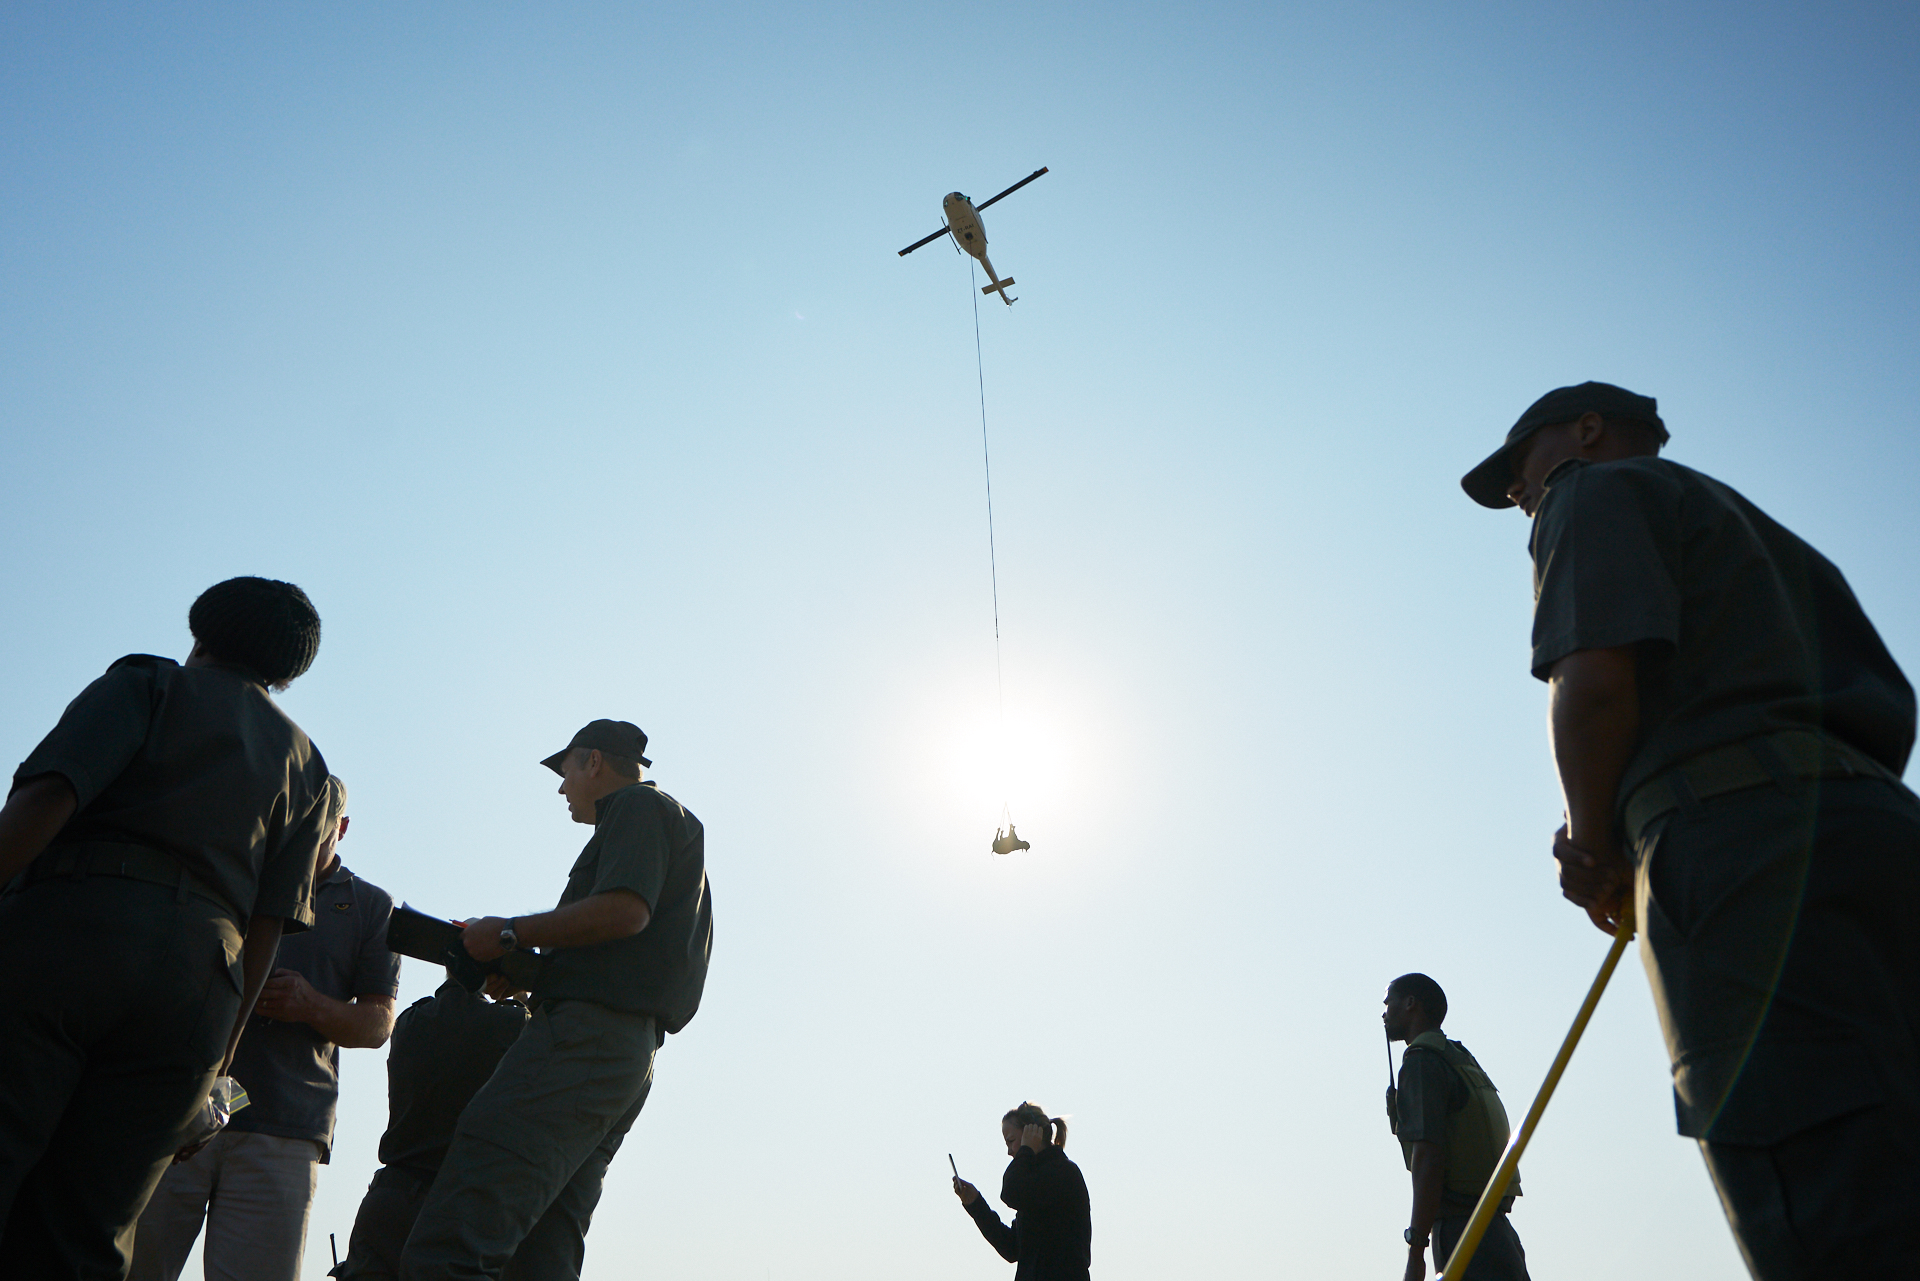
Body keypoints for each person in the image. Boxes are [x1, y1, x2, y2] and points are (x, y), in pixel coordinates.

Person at [1462, 381, 1920, 1278]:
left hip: (1740, 852)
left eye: (1520, 466)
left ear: (1586, 432)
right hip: (1882, 832)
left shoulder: (1588, 494)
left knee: (1830, 1204)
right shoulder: (1769, 539)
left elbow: (1591, 684)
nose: (1519, 491)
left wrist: (1591, 850)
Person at [0, 576, 333, 1280]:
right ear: (287, 669)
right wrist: (215, 1069)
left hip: (73, 929)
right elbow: (268, 931)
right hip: (199, 993)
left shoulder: (147, 684)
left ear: (201, 630)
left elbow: (48, 798)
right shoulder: (309, 768)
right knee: (89, 1227)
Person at [397, 718, 714, 1281]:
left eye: (564, 769)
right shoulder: (665, 821)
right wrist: (531, 976)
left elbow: (625, 910)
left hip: (581, 1042)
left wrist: (509, 932)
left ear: (592, 762)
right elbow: (627, 949)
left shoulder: (639, 809)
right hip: (619, 1052)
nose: (561, 786)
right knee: (542, 1255)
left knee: (453, 1237)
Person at [132, 775, 401, 1281]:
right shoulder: (230, 876)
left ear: (341, 829)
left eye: (315, 829)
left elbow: (377, 1025)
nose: (299, 839)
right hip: (180, 1108)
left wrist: (311, 1005)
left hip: (284, 1131)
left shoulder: (370, 907)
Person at [329, 975, 532, 1281]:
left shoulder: (410, 1021)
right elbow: (550, 1036)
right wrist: (521, 988)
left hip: (389, 1196)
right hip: (456, 1207)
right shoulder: (511, 1023)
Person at [1382, 974, 1530, 1281]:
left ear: (1411, 1004)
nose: (1384, 1012)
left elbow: (1428, 1159)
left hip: (1462, 1232)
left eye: (1389, 1002)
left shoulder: (1422, 1063)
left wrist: (1416, 1252)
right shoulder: (1458, 1058)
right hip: (1495, 1231)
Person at [951, 1102, 1091, 1281]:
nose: (1009, 1151)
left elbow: (1011, 1191)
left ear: (1031, 1134)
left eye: (1011, 1141)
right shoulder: (1035, 1180)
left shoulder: (1061, 1172)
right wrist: (976, 1204)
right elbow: (1011, 1248)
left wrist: (1026, 1149)